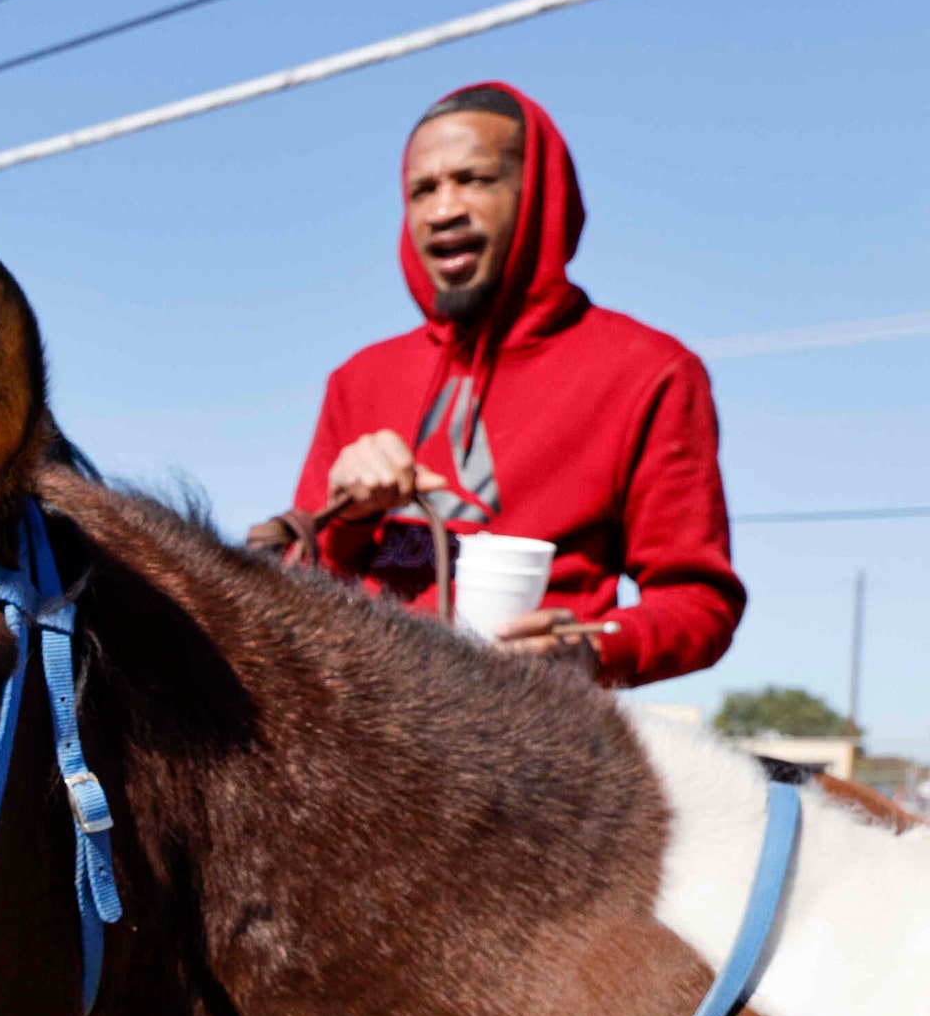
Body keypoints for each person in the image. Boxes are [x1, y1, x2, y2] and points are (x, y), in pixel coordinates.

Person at [271, 81, 743, 684]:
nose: (443, 209)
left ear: (538, 194)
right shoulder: (358, 380)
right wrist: (350, 520)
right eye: (423, 190)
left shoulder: (650, 371)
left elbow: (700, 601)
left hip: (535, 739)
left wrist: (591, 649)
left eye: (473, 180)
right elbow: (292, 592)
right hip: (364, 725)